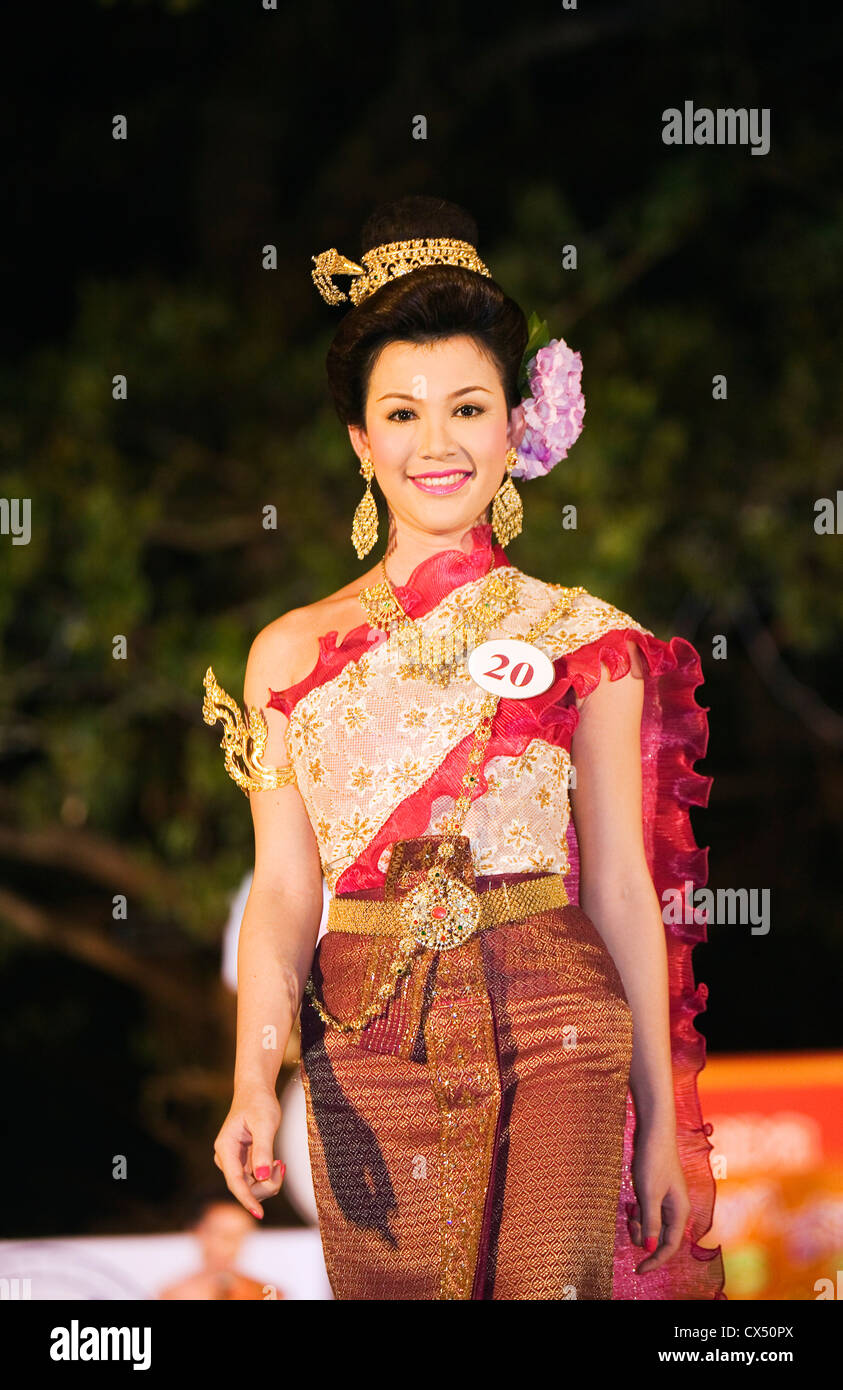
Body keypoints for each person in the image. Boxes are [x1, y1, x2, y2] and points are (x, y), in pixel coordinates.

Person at [204, 194, 725, 1300]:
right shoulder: (288, 651)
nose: (435, 443)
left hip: (560, 1022)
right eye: (401, 413)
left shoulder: (586, 638)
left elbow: (627, 892)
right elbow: (289, 893)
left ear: (512, 428)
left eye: (467, 407)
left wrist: (665, 1124)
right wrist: (254, 1082)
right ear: (359, 439)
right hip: (366, 1037)